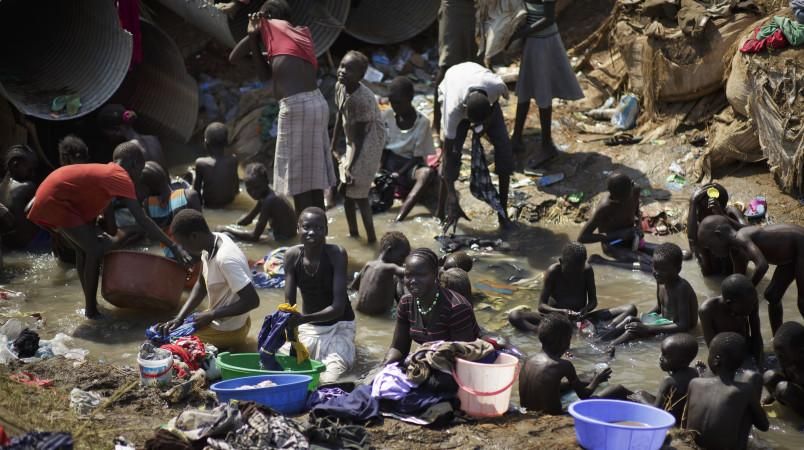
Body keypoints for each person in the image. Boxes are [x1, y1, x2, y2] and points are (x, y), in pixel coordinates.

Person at [26, 142, 192, 319]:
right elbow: (142, 219)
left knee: (83, 250)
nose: (138, 176)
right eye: (140, 170)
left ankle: (90, 306)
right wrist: (174, 246)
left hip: (50, 196)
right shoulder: (121, 177)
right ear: (135, 164)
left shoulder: (107, 173)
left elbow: (85, 203)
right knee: (94, 250)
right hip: (55, 199)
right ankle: (91, 310)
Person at [230, 0, 336, 213]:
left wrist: (256, 28)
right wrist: (254, 37)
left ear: (266, 19)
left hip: (297, 108)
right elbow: (264, 77)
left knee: (299, 183)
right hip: (315, 103)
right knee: (313, 181)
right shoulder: (298, 36)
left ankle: (305, 239)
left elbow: (233, 57)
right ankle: (317, 232)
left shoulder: (275, 31)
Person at [156, 210, 259, 350]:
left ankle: (228, 345)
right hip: (233, 321)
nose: (183, 249)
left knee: (165, 343)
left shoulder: (225, 259)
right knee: (163, 331)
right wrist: (179, 318)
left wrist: (212, 314)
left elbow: (253, 300)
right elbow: (201, 284)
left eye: (183, 244)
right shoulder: (212, 242)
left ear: (194, 236)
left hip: (229, 331)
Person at [697, 214, 804, 335]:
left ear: (719, 235)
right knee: (772, 296)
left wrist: (749, 290)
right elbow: (737, 282)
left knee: (802, 301)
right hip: (791, 254)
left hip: (800, 244)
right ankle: (778, 338)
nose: (712, 252)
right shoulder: (735, 252)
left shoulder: (741, 237)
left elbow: (762, 265)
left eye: (710, 246)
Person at [283, 207, 355, 383]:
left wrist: (301, 320)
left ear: (326, 231)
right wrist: (292, 337)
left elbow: (338, 308)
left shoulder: (337, 254)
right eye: (306, 227)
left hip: (339, 325)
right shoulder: (292, 256)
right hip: (309, 327)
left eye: (319, 228)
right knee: (282, 366)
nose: (312, 232)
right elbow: (289, 306)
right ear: (298, 229)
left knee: (329, 379)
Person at [439, 62, 514, 231]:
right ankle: (443, 210)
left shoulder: (497, 87)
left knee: (504, 150)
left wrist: (486, 125)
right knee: (453, 157)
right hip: (453, 79)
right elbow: (447, 154)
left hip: (483, 95)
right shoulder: (453, 110)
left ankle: (503, 215)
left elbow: (501, 102)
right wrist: (452, 195)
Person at [509, 0, 584, 167]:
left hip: (544, 42)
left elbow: (549, 18)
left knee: (543, 92)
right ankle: (516, 138)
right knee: (524, 90)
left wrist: (523, 33)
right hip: (531, 41)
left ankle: (546, 144)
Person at [508, 242, 637, 338]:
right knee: (514, 316)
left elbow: (593, 302)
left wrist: (585, 310)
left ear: (584, 264)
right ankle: (542, 333)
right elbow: (542, 306)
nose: (574, 274)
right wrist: (562, 312)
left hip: (581, 318)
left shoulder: (587, 270)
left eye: (578, 270)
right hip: (555, 320)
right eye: (570, 270)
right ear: (561, 262)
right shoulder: (553, 272)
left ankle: (608, 331)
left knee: (630, 309)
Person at [519, 313, 632, 414]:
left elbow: (546, 386)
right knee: (617, 389)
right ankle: (645, 405)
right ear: (565, 342)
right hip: (556, 416)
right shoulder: (563, 365)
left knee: (577, 382)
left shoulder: (528, 360)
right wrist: (597, 379)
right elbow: (584, 395)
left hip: (527, 413)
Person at [384, 248, 481, 365]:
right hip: (431, 359)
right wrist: (386, 365)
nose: (413, 281)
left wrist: (420, 358)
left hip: (458, 365)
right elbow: (398, 348)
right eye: (408, 275)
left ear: (435, 274)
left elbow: (464, 358)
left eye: (421, 275)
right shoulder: (406, 303)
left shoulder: (456, 308)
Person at [332, 51, 386, 243]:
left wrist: (350, 166)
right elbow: (340, 115)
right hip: (353, 135)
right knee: (347, 192)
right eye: (342, 66)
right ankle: (353, 233)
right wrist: (332, 147)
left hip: (369, 141)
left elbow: (360, 140)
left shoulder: (362, 99)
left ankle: (372, 239)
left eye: (349, 69)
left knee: (360, 194)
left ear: (361, 76)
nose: (343, 71)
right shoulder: (340, 86)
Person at [686, 332, 769, 450]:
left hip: (692, 446)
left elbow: (686, 420)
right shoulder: (745, 390)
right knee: (747, 406)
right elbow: (764, 426)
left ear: (716, 360)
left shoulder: (694, 383)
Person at [609, 243, 698, 346]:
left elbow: (684, 325)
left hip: (677, 330)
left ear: (678, 270)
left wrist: (648, 328)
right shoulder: (660, 281)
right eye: (655, 267)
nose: (656, 273)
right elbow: (659, 308)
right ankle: (601, 339)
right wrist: (642, 319)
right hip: (664, 322)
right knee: (630, 320)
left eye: (663, 270)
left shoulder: (681, 288)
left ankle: (608, 347)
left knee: (632, 332)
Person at [382, 76, 437, 222]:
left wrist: (398, 173)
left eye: (398, 103)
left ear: (410, 98)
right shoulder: (387, 116)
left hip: (409, 166)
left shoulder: (422, 122)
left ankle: (400, 217)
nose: (394, 107)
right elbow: (383, 148)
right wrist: (381, 173)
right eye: (392, 103)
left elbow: (418, 157)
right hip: (390, 162)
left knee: (426, 173)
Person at [578, 172, 657, 271]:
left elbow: (636, 210)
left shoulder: (636, 190)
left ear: (632, 186)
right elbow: (582, 238)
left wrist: (639, 226)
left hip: (632, 239)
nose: (621, 202)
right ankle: (602, 262)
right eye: (617, 200)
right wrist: (618, 235)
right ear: (611, 193)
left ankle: (631, 256)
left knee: (671, 254)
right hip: (613, 245)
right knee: (651, 267)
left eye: (625, 198)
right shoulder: (604, 208)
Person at [218, 163, 296, 242]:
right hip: (281, 234)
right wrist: (234, 225)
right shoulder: (265, 195)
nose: (254, 193)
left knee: (228, 236)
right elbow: (248, 219)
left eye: (257, 188)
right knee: (227, 233)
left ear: (266, 182)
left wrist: (227, 229)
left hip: (283, 239)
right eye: (249, 189)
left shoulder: (269, 201)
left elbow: (254, 237)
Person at [699, 274, 764, 367]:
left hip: (744, 346)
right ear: (729, 303)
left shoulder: (751, 301)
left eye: (753, 303)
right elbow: (713, 348)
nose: (752, 308)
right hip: (724, 353)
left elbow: (756, 335)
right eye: (748, 305)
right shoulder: (707, 311)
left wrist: (759, 364)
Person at [433, 0, 477, 135]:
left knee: (474, 68)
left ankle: (473, 119)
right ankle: (436, 125)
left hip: (475, 8)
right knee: (446, 65)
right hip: (454, 9)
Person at [636, 333, 699, 426]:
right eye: (662, 353)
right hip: (679, 420)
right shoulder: (694, 372)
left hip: (668, 423)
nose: (660, 358)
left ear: (681, 361)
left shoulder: (668, 381)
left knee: (639, 393)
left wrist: (640, 399)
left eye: (665, 355)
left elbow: (656, 411)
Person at [687, 182, 747, 275]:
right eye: (697, 209)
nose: (698, 214)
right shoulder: (699, 224)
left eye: (702, 209)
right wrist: (693, 202)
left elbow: (749, 231)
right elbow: (692, 240)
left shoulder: (731, 212)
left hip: (731, 268)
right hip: (710, 269)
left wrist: (722, 215)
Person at [351, 231, 410, 316]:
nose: (403, 261)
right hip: (378, 316)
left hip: (359, 312)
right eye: (402, 256)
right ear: (389, 250)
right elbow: (409, 272)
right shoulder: (390, 267)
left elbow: (353, 288)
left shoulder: (368, 264)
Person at [97, 104, 166, 169]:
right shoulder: (153, 139)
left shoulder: (127, 150)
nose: (109, 138)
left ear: (118, 130)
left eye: (108, 134)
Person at [0, 144, 41, 250]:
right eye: (29, 169)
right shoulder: (28, 187)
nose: (32, 174)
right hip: (27, 245)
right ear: (15, 165)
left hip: (7, 245)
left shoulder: (1, 186)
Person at [141, 161, 202, 230]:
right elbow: (202, 229)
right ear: (166, 176)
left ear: (147, 189)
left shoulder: (147, 206)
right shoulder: (190, 195)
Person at [193, 122, 239, 208]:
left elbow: (196, 192)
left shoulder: (200, 163)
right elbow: (236, 188)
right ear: (226, 143)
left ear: (205, 143)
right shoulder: (233, 160)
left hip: (209, 205)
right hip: (229, 203)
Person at [763, 321, 804, 416]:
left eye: (782, 356)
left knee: (784, 390)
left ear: (801, 351)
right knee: (769, 377)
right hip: (799, 394)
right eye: (778, 355)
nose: (779, 359)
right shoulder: (788, 364)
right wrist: (768, 400)